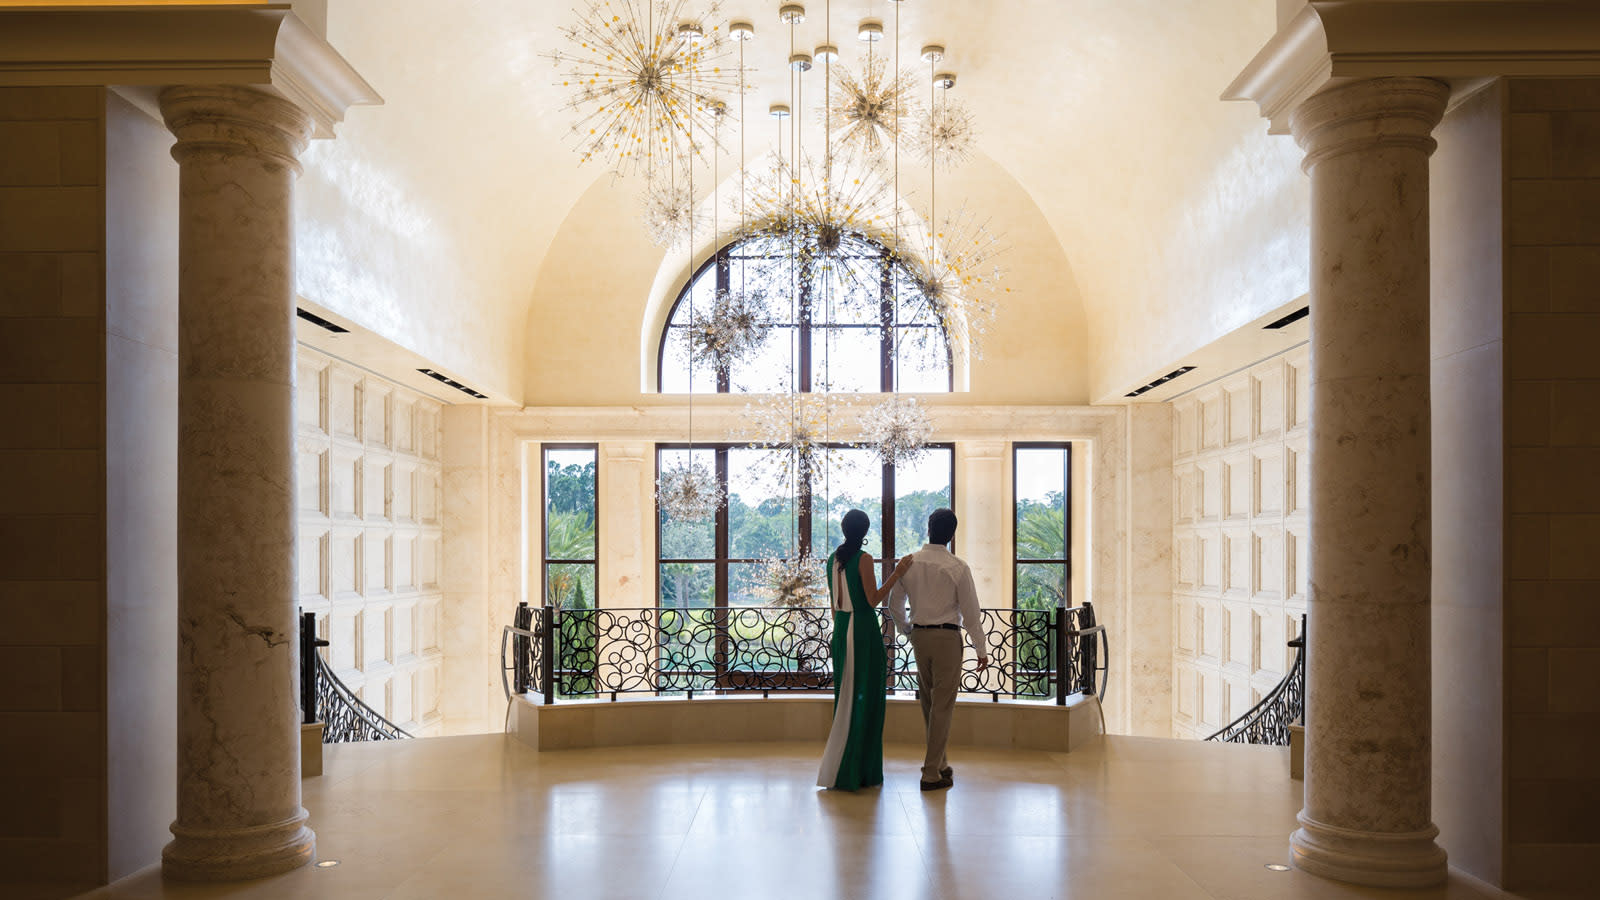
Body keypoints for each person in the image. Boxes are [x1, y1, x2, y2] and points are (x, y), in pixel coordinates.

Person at [888, 507, 988, 791]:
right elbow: (971, 613)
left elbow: (894, 606)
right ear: (952, 534)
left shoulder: (909, 563)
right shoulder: (957, 567)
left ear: (928, 528)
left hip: (920, 637)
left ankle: (941, 764)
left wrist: (907, 629)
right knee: (942, 706)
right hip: (946, 638)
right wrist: (980, 649)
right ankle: (930, 773)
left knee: (930, 704)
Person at [817, 509, 913, 791]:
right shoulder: (864, 559)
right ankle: (859, 771)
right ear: (865, 531)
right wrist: (897, 573)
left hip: (842, 628)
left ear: (845, 530)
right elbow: (872, 600)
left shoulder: (833, 560)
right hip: (862, 629)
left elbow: (835, 607)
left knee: (846, 699)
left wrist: (843, 630)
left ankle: (842, 768)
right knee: (865, 699)